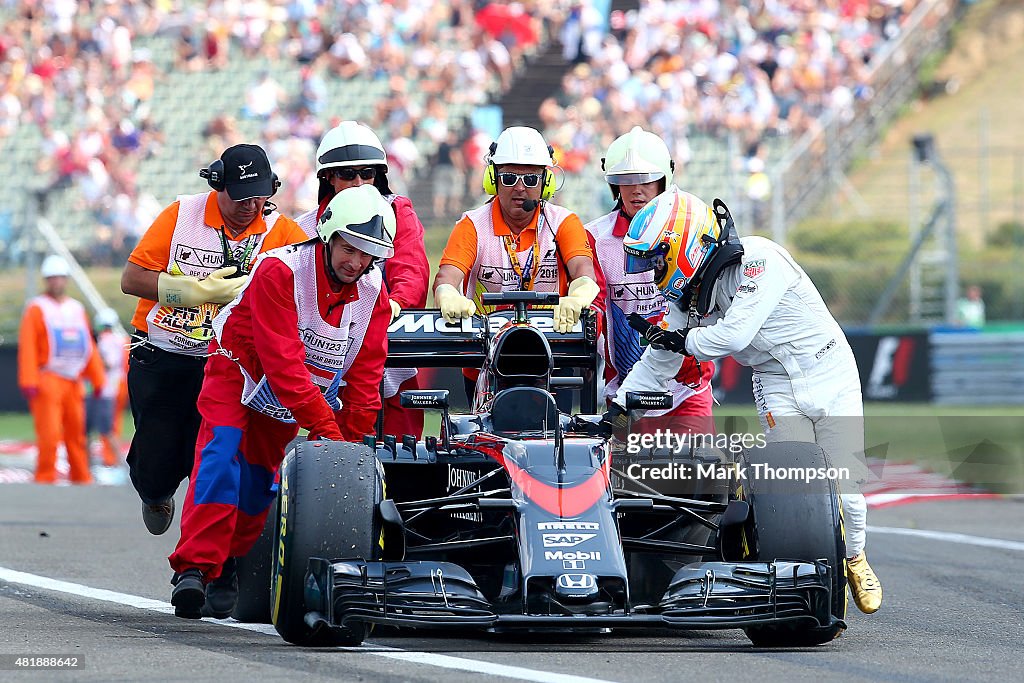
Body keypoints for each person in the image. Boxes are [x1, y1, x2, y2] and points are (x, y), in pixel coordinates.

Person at [602, 186, 882, 615]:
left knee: (847, 488)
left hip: (830, 370)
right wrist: (619, 408)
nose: (653, 269)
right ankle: (810, 579)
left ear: (685, 244)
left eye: (657, 257)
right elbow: (658, 360)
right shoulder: (686, 300)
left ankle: (856, 557)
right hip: (775, 381)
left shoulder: (760, 259)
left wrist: (684, 339)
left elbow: (733, 335)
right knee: (795, 481)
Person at [168, 185, 394, 619]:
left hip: (292, 394)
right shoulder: (281, 271)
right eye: (349, 248)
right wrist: (326, 430)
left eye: (367, 254)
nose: (356, 262)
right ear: (327, 236)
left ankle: (230, 561)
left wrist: (348, 445)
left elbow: (366, 377)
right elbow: (283, 364)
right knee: (221, 454)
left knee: (258, 483)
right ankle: (194, 567)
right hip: (238, 369)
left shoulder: (374, 296)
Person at [121, 143, 307, 536]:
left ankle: (211, 548)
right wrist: (189, 292)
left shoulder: (283, 232)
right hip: (163, 355)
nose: (250, 206)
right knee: (155, 466)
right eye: (240, 197)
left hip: (229, 364)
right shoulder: (181, 214)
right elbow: (131, 278)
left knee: (219, 456)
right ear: (217, 184)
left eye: (259, 196)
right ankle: (155, 492)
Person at [432, 126, 602, 401]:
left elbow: (583, 271)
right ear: (493, 179)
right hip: (484, 364)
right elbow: (447, 277)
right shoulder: (472, 225)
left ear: (545, 182)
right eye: (509, 177)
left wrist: (579, 295)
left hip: (553, 360)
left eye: (531, 179)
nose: (520, 188)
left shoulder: (564, 222)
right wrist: (448, 294)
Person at [298, 121, 430, 440]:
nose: (359, 182)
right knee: (332, 456)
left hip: (388, 356)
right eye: (347, 174)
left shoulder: (399, 212)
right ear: (327, 177)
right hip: (329, 360)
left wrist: (395, 303)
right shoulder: (303, 229)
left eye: (367, 173)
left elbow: (412, 268)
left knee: (404, 453)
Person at [585, 127, 714, 434]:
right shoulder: (595, 238)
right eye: (626, 180)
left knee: (701, 477)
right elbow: (595, 302)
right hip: (626, 391)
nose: (636, 189)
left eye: (646, 179)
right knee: (627, 482)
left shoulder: (695, 225)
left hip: (688, 389)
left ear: (664, 180)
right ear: (614, 185)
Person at [18, 255, 106, 484]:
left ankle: (80, 476)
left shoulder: (76, 309)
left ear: (65, 280)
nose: (56, 282)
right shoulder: (37, 308)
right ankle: (45, 477)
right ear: (46, 281)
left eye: (60, 278)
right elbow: (28, 345)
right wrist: (29, 379)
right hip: (49, 377)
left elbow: (87, 345)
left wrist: (97, 378)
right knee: (49, 433)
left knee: (76, 432)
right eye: (52, 278)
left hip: (74, 380)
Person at [88, 308, 129, 468]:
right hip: (121, 383)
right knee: (114, 422)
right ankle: (111, 458)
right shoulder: (123, 339)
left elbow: (108, 363)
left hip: (108, 387)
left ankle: (110, 458)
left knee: (107, 425)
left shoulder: (105, 340)